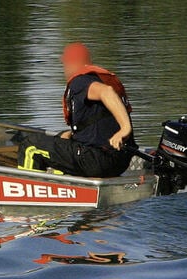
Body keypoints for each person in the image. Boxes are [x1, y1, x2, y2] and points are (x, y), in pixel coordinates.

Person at [18, 43, 135, 178]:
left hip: (95, 160)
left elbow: (106, 92)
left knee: (30, 146)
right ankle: (63, 185)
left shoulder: (80, 81)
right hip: (118, 162)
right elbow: (99, 124)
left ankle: (28, 189)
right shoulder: (98, 79)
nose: (64, 69)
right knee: (61, 138)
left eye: (64, 64)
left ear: (70, 63)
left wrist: (125, 129)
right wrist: (74, 135)